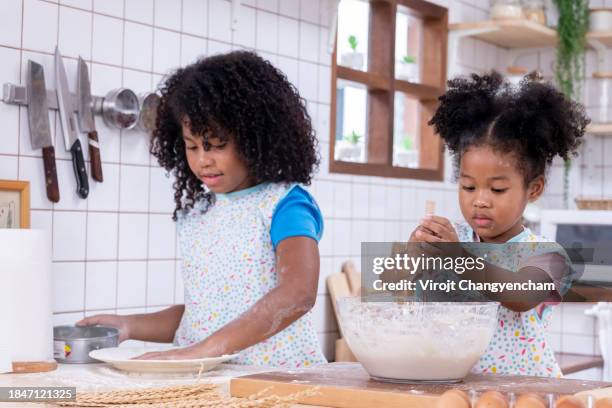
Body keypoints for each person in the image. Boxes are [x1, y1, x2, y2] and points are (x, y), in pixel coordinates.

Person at [78, 51, 326, 368]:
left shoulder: (284, 204)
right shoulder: (198, 212)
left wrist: (206, 350)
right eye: (192, 145)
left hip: (276, 377)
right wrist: (129, 326)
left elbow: (297, 294)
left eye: (216, 144)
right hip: (209, 379)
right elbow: (203, 314)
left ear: (255, 139)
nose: (202, 160)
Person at [408, 71, 589, 377]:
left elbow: (518, 295)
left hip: (527, 392)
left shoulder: (548, 254)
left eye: (497, 189)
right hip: (462, 388)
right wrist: (414, 253)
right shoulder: (455, 238)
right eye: (468, 187)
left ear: (534, 189)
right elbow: (405, 292)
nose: (480, 200)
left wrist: (457, 256)